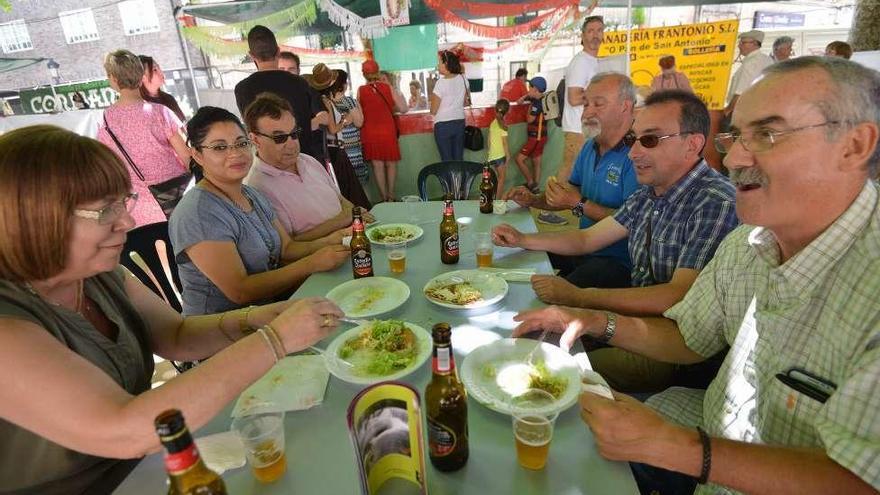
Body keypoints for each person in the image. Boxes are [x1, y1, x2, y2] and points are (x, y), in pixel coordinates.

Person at [513, 56, 880, 495]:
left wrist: (674, 447)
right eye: (737, 136)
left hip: (702, 448)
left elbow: (861, 481)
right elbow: (688, 336)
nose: (735, 157)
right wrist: (590, 320)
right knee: (538, 410)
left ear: (855, 146)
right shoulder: (749, 244)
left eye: (766, 134)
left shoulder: (724, 206)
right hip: (703, 423)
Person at [0, 124, 346, 494]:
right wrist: (274, 340)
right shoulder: (9, 326)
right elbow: (126, 429)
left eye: (124, 202)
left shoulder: (99, 276)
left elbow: (177, 335)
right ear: (33, 220)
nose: (128, 222)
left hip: (148, 468)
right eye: (104, 211)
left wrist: (257, 319)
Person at [499, 90, 738, 392]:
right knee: (532, 338)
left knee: (544, 371)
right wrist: (523, 239)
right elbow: (586, 239)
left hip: (676, 348)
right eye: (632, 140)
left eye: (649, 140)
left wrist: (580, 297)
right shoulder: (649, 193)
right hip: (634, 321)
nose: (633, 153)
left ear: (692, 144)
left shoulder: (715, 202)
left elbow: (676, 295)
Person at [169, 107, 349, 316]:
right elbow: (240, 291)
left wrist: (334, 240)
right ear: (197, 155)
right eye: (220, 147)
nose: (235, 154)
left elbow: (287, 248)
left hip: (266, 310)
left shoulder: (251, 194)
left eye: (241, 143)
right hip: (220, 328)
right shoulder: (198, 212)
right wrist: (312, 263)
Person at [504, 73, 640, 288]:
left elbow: (634, 223)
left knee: (553, 293)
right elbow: (567, 196)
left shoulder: (637, 156)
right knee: (517, 256)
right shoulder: (589, 147)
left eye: (598, 104)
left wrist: (577, 204)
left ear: (625, 106)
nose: (587, 112)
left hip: (618, 263)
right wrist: (533, 200)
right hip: (582, 247)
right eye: (586, 104)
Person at [244, 92, 374, 243]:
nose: (292, 144)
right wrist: (342, 221)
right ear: (255, 139)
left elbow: (339, 199)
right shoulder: (257, 187)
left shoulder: (308, 161)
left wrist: (355, 215)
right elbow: (289, 245)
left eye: (294, 134)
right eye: (279, 138)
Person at [97, 49, 190, 227]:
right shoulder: (161, 112)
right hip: (178, 195)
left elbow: (109, 169)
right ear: (141, 75)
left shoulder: (105, 121)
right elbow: (186, 156)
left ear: (114, 80)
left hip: (140, 206)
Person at [234, 26, 328, 165]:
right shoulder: (300, 83)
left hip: (269, 166)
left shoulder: (242, 89)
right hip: (304, 159)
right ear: (278, 51)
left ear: (251, 55)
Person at [307, 64, 372, 210]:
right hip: (339, 150)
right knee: (352, 189)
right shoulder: (329, 102)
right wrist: (344, 120)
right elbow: (334, 128)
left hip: (333, 149)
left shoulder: (322, 100)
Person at [557, 15, 605, 183]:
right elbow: (574, 98)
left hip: (587, 128)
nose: (595, 35)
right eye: (591, 31)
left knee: (580, 176)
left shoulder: (593, 61)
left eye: (599, 30)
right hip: (577, 129)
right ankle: (550, 206)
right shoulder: (581, 62)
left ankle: (563, 207)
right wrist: (602, 98)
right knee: (568, 175)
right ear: (583, 36)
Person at [358, 59, 405, 202]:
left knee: (377, 165)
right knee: (391, 163)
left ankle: (384, 199)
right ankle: (391, 196)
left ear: (364, 74)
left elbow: (359, 115)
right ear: (378, 72)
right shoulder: (387, 87)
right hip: (387, 130)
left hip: (370, 132)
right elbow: (403, 108)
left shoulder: (361, 90)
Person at [327, 69, 369, 184]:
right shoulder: (348, 101)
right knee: (356, 186)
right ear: (344, 84)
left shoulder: (326, 101)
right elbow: (359, 122)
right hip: (351, 150)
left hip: (334, 150)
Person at [723, 30, 773, 122]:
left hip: (746, 112)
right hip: (764, 109)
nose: (739, 46)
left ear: (754, 43)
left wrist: (727, 110)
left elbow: (741, 93)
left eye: (743, 42)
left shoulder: (751, 63)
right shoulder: (767, 59)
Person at [431, 50, 469, 162]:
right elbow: (465, 102)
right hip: (459, 123)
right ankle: (460, 180)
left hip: (443, 126)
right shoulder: (463, 79)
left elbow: (433, 110)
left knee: (447, 161)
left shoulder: (440, 83)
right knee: (458, 159)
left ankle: (449, 180)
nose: (438, 65)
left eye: (439, 62)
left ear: (446, 64)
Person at [514, 77, 549, 194]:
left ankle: (530, 183)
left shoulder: (536, 104)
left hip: (535, 137)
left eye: (530, 87)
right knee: (536, 161)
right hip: (542, 136)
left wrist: (529, 106)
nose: (528, 89)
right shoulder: (542, 98)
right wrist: (526, 96)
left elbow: (530, 119)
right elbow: (522, 100)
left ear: (536, 89)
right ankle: (536, 187)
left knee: (519, 159)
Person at [138, 54, 185, 121]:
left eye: (159, 68)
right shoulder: (141, 106)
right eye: (155, 70)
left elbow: (184, 124)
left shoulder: (169, 99)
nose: (161, 72)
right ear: (143, 77)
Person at [487, 99, 511, 198]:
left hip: (492, 156)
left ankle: (493, 197)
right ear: (507, 111)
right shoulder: (504, 126)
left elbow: (488, 140)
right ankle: (498, 200)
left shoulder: (493, 123)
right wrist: (508, 155)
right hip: (500, 156)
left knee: (494, 178)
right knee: (501, 179)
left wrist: (489, 152)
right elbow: (504, 143)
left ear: (495, 110)